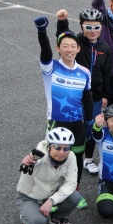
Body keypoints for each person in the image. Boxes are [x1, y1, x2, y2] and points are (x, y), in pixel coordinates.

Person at [34, 17, 93, 208]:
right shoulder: (51, 68)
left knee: (75, 159)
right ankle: (49, 193)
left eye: (72, 46)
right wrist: (42, 31)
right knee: (52, 159)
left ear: (78, 49)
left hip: (77, 123)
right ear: (58, 49)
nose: (69, 49)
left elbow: (87, 98)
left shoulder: (84, 72)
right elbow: (45, 52)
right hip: (56, 122)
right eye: (64, 46)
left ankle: (73, 191)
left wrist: (90, 121)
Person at [54, 9, 112, 175]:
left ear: (101, 27)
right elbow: (63, 38)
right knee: (70, 124)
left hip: (94, 96)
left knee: (91, 127)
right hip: (73, 93)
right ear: (81, 26)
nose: (92, 31)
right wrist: (63, 22)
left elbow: (107, 73)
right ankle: (65, 153)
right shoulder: (77, 42)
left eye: (96, 27)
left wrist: (105, 95)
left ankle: (87, 158)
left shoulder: (105, 47)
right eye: (88, 27)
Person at [17, 128, 82, 224]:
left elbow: (71, 183)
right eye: (57, 147)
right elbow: (28, 165)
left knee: (75, 197)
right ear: (50, 146)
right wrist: (27, 162)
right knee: (38, 223)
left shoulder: (71, 157)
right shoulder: (38, 156)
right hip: (29, 196)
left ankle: (57, 218)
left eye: (66, 148)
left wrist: (51, 201)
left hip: (50, 192)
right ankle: (26, 218)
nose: (62, 152)